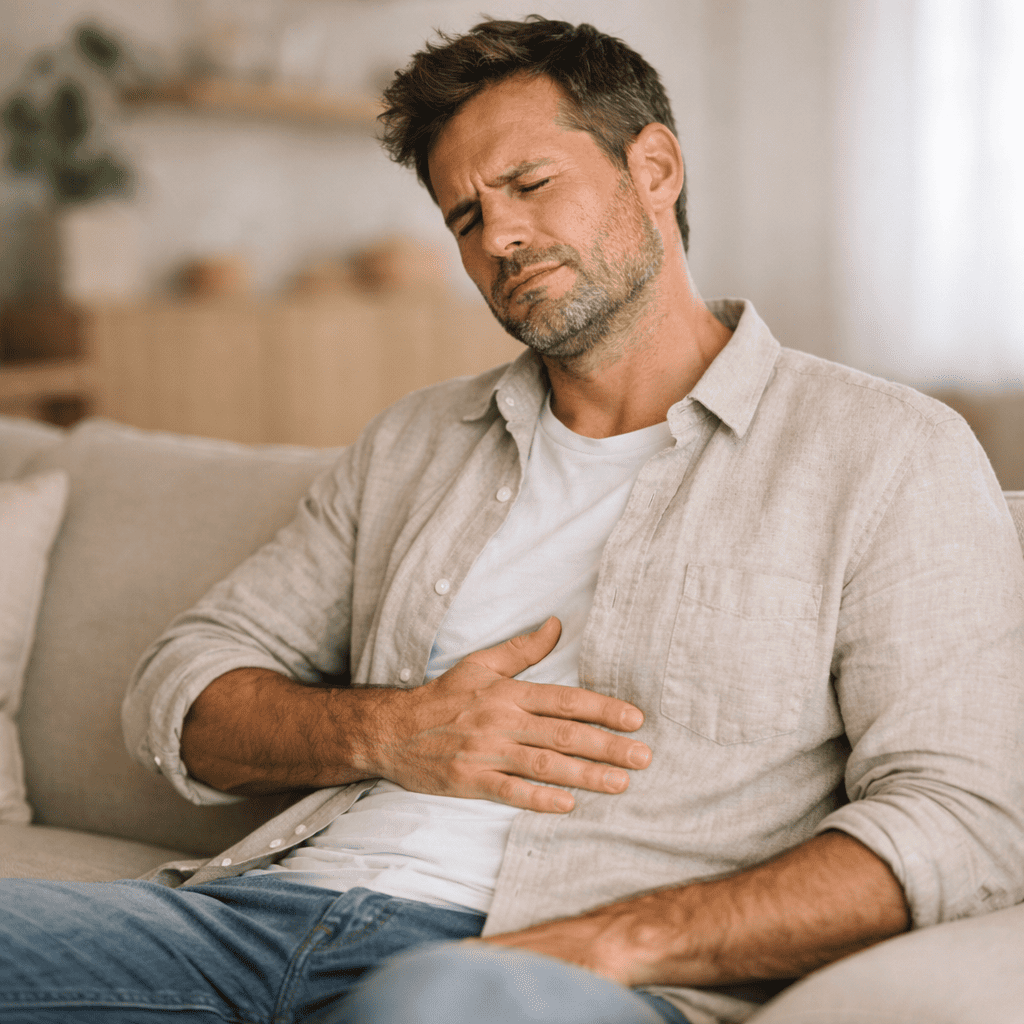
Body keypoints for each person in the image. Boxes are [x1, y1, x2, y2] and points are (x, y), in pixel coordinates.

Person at [3, 15, 1024, 1024]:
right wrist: (390, 730)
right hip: (247, 922)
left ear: (654, 167)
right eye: (462, 217)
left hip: (540, 968)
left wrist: (611, 942)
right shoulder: (414, 442)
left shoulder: (884, 451)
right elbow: (181, 689)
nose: (499, 237)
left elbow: (966, 819)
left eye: (530, 185)